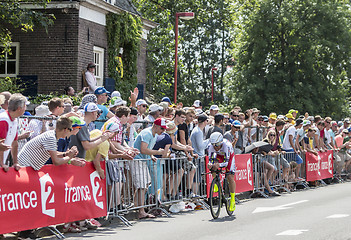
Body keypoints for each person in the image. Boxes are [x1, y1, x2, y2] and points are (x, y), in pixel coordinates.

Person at [18, 117, 86, 170]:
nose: (70, 132)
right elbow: (56, 162)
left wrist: (66, 154)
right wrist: (70, 157)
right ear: (65, 129)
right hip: (25, 165)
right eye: (70, 130)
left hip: (27, 165)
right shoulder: (51, 138)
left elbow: (53, 153)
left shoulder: (52, 135)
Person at [131, 118, 166, 219]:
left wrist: (151, 156)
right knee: (141, 186)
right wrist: (158, 153)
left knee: (144, 185)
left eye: (164, 129)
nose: (163, 131)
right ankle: (140, 211)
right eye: (161, 128)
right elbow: (143, 149)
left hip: (143, 161)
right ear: (155, 125)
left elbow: (148, 149)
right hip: (137, 160)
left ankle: (138, 207)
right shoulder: (147, 133)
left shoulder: (153, 135)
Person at [207, 132, 236, 211]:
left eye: (217, 145)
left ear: (221, 143)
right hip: (219, 155)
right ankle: (216, 183)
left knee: (230, 176)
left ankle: (233, 199)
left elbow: (226, 162)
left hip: (228, 156)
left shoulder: (226, 145)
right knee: (213, 166)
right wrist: (210, 164)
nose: (215, 147)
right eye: (214, 145)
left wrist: (219, 165)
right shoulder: (210, 146)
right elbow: (210, 159)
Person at [0, 94, 27, 172]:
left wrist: (15, 162)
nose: (26, 109)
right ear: (19, 108)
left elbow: (15, 143)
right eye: (25, 106)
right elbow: (1, 144)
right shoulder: (3, 120)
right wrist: (1, 164)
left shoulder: (15, 120)